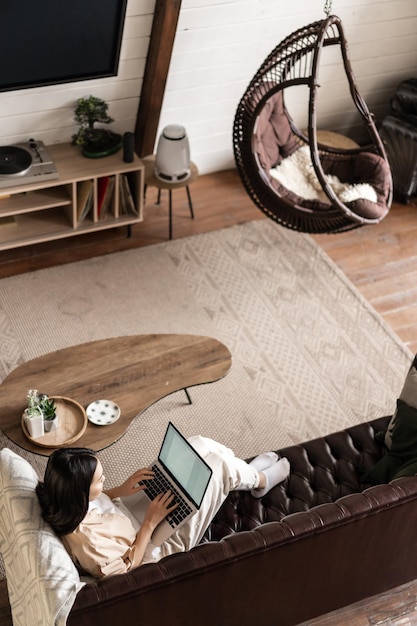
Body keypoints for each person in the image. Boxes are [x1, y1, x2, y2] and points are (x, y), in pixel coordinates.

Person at [36, 435, 290, 578]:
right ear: (79, 493)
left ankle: (241, 474)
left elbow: (96, 505)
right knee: (217, 469)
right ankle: (260, 480)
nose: (105, 479)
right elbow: (126, 570)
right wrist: (150, 521)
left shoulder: (62, 498)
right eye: (99, 480)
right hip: (154, 546)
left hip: (130, 510)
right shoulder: (89, 545)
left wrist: (120, 490)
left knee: (198, 444)